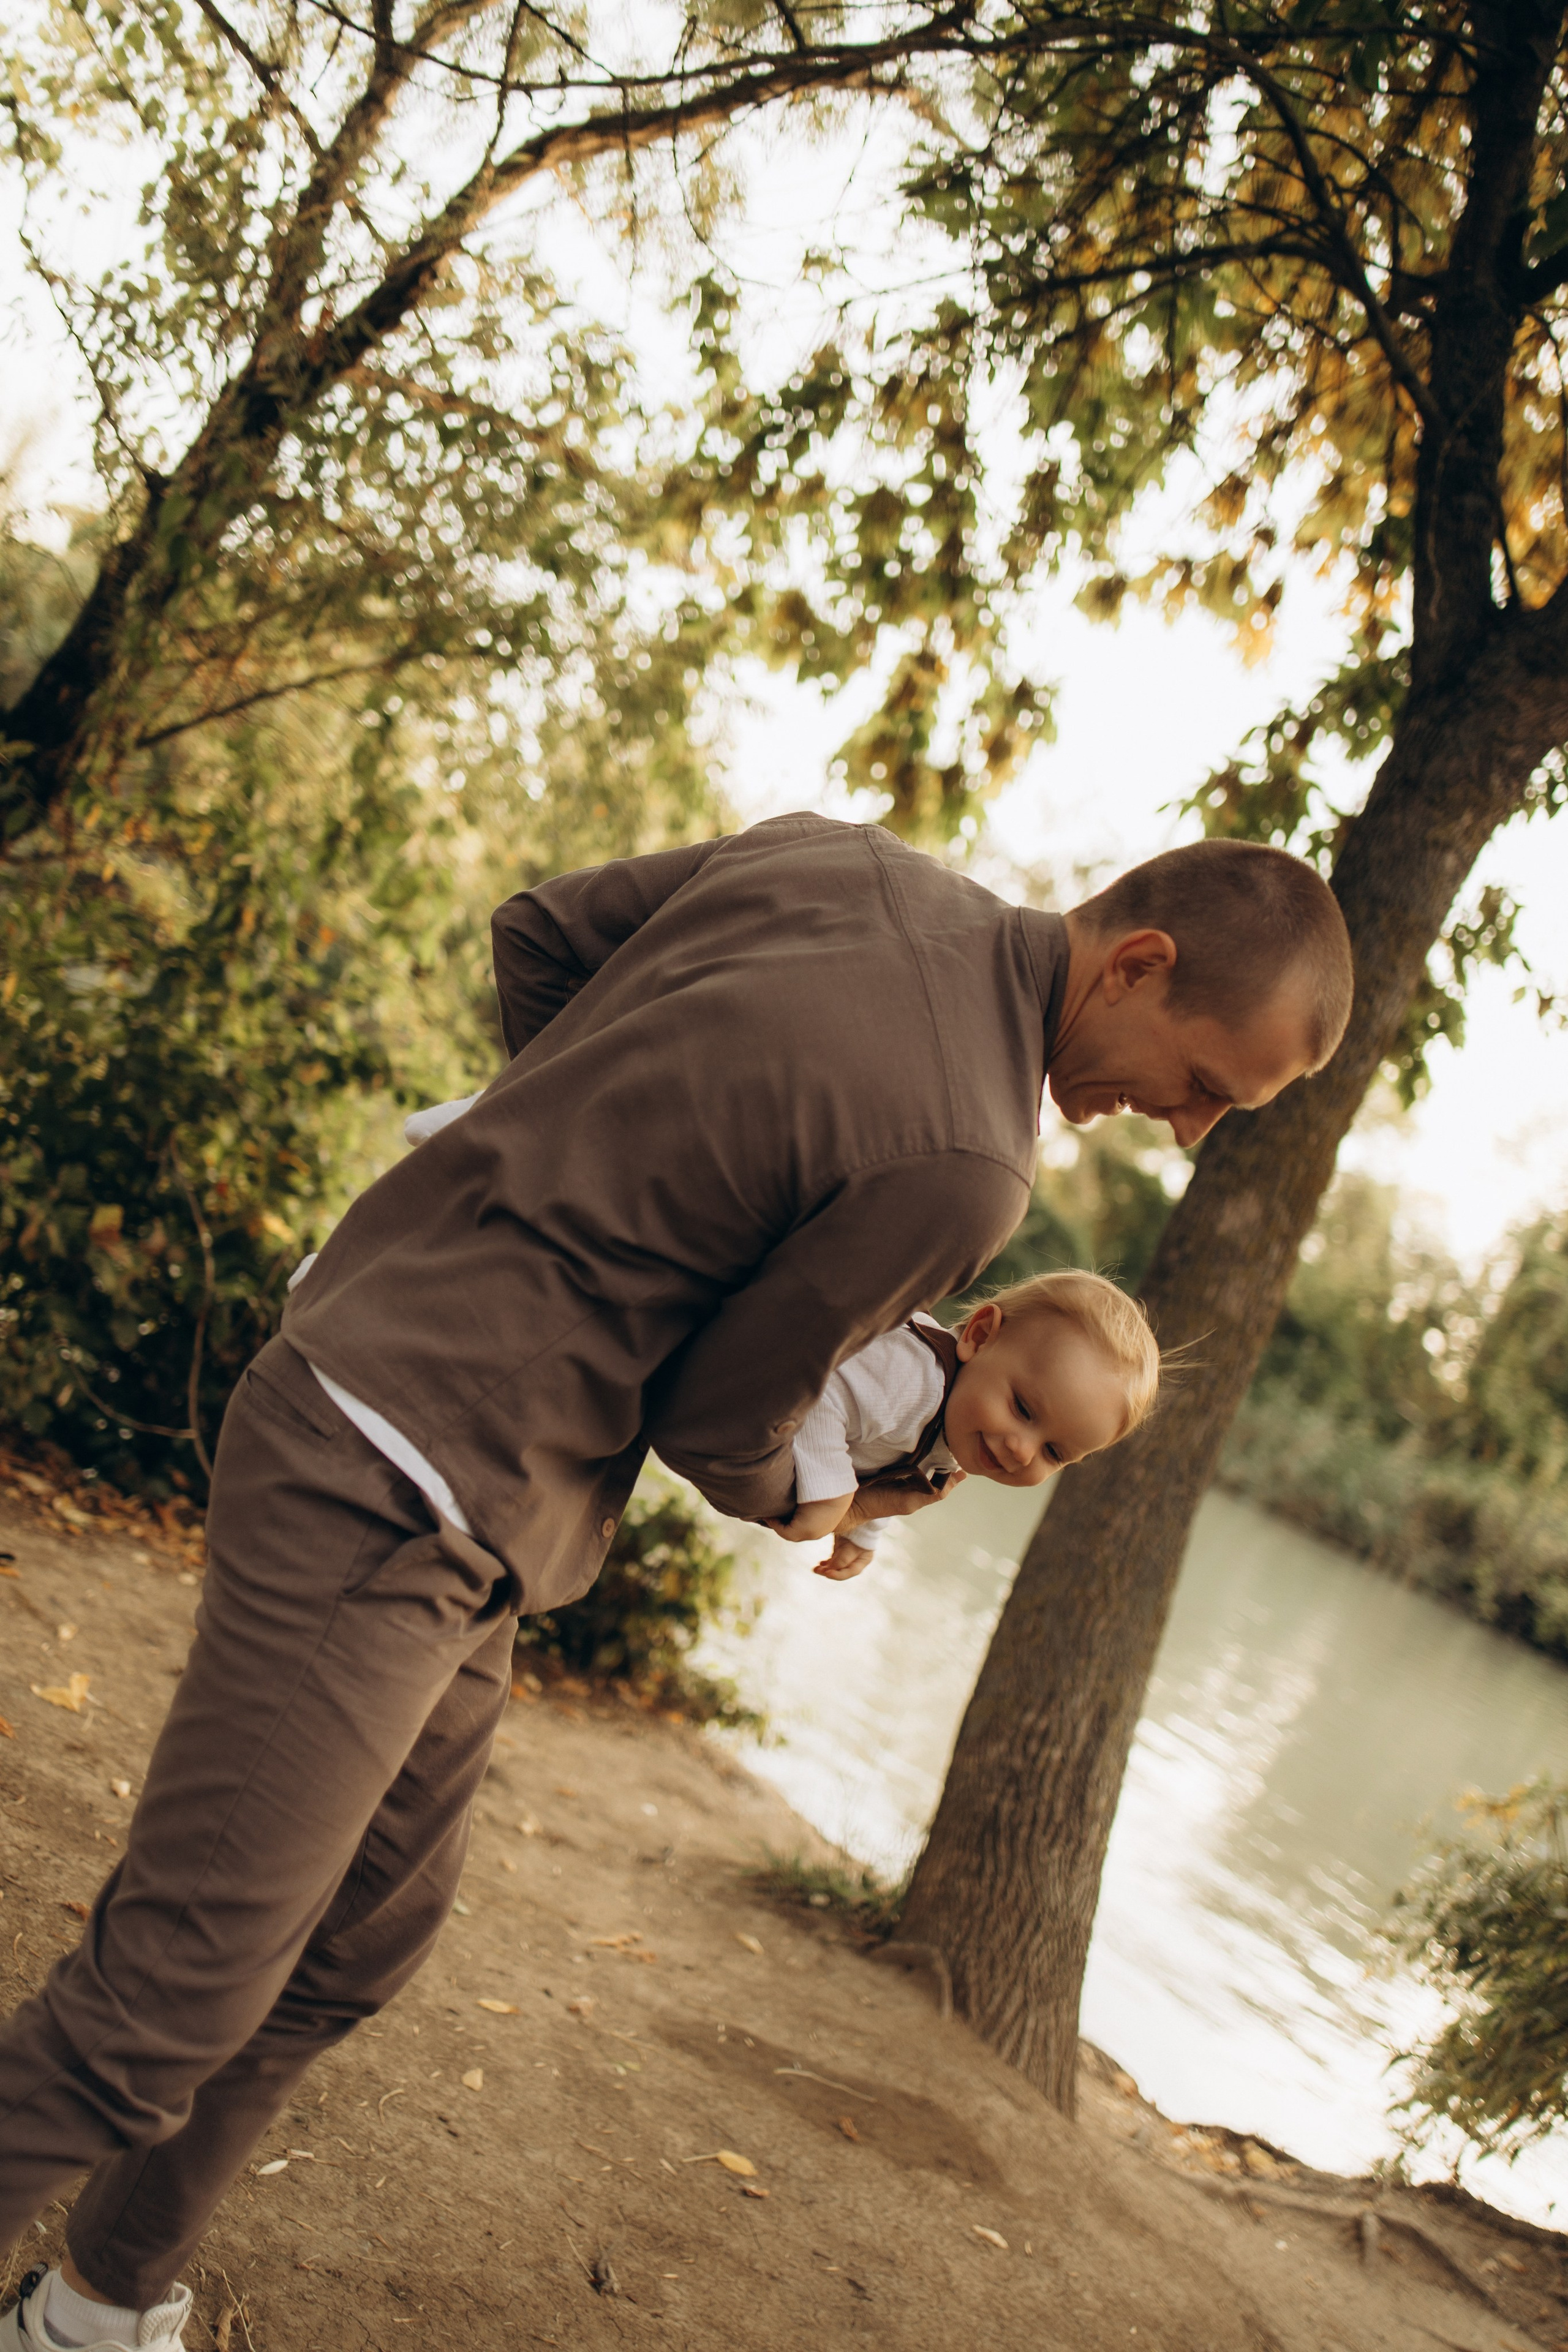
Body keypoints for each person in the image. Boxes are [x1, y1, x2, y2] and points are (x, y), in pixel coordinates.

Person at [0, 812, 1352, 2351]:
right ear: (1139, 962)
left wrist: (556, 1156)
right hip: (402, 1473)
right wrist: (817, 1489)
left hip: (449, 1469)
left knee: (357, 1938)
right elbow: (726, 1418)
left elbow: (541, 934)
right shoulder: (972, 1163)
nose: (1183, 1131)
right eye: (1202, 1085)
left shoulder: (853, 863)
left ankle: (93, 2303)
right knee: (170, 1998)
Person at [776, 1272, 1160, 1580]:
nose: (1022, 1451)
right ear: (979, 1338)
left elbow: (898, 1458)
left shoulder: (964, 1426)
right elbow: (820, 1390)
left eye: (1054, 1452)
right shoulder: (913, 1378)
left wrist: (861, 1531)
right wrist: (830, 1496)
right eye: (1024, 1409)